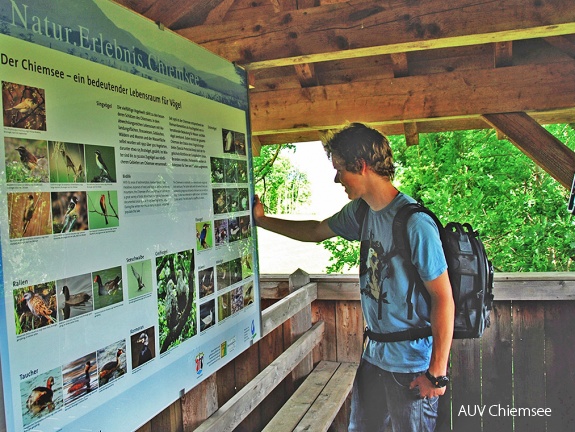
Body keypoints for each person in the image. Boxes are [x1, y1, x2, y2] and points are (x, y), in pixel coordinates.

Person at [253, 123, 455, 432]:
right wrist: (262, 221)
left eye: (339, 170)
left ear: (360, 166)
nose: (336, 179)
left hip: (411, 365)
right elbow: (315, 231)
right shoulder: (361, 212)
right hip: (374, 357)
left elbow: (443, 298)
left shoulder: (415, 223)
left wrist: (436, 373)